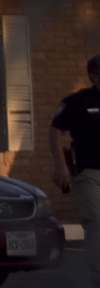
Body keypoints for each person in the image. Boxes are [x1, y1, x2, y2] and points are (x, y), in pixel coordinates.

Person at [53, 54, 100, 249]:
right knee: (97, 222)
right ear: (93, 75)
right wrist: (60, 166)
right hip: (89, 172)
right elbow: (55, 131)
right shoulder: (79, 101)